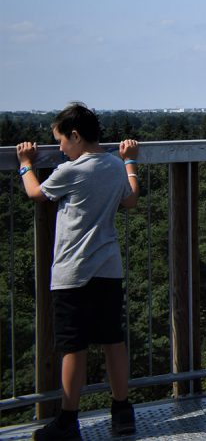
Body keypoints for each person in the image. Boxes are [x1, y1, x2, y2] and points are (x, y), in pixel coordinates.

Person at [16, 103, 140, 440]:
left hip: (72, 271)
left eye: (60, 141)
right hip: (108, 268)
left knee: (73, 346)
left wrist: (25, 164)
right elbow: (130, 199)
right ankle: (122, 411)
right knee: (113, 340)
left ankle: (68, 421)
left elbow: (36, 193)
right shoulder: (113, 165)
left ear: (75, 136)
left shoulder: (71, 170)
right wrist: (129, 160)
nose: (59, 149)